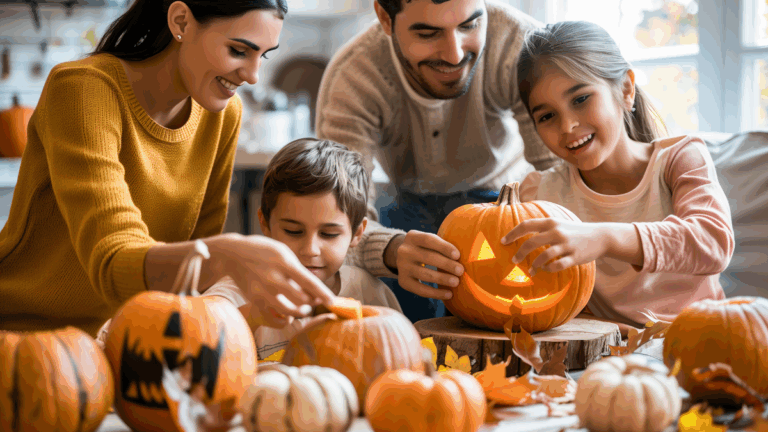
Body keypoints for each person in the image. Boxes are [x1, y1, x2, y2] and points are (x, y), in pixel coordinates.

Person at [0, 0, 335, 338]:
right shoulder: (82, 89)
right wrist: (225, 255)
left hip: (133, 339)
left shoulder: (223, 114)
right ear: (181, 22)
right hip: (27, 338)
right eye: (238, 51)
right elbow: (114, 262)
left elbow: (191, 285)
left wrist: (256, 314)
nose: (252, 76)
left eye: (261, 56)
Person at [314, 0, 560, 322]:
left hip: (504, 199)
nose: (455, 54)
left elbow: (560, 177)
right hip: (403, 207)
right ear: (385, 18)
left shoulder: (519, 43)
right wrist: (389, 249)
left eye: (470, 25)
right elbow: (338, 221)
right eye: (429, 33)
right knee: (405, 314)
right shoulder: (354, 77)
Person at [502, 21, 734, 336]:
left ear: (625, 90)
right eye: (546, 116)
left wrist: (603, 238)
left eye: (580, 99)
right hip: (607, 354)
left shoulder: (680, 158)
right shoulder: (539, 193)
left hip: (703, 343)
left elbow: (711, 242)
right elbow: (542, 297)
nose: (568, 126)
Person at [203, 138, 403, 360]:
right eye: (293, 231)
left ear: (357, 233)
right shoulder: (234, 293)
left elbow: (400, 355)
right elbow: (197, 342)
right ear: (265, 224)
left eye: (329, 234)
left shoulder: (369, 292)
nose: (310, 250)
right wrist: (255, 314)